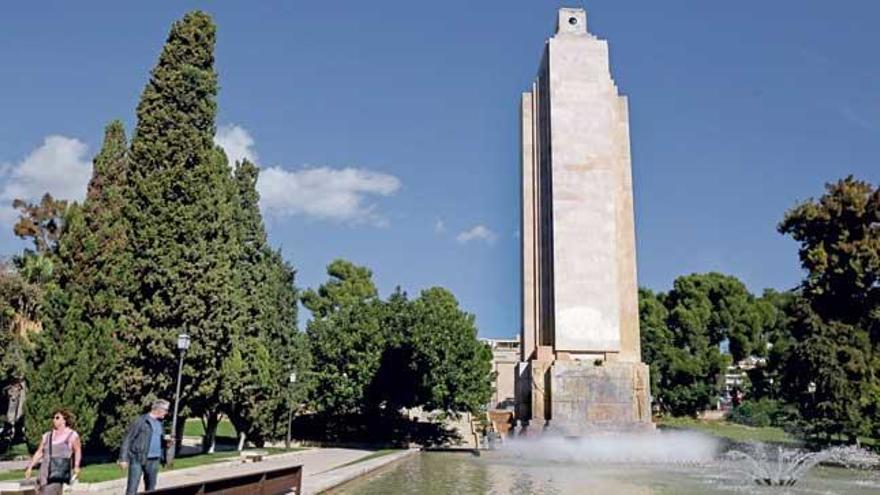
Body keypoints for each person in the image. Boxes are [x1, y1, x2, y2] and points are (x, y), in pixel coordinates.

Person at [24, 408, 82, 495]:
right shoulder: (47, 436)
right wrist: (30, 467)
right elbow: (40, 452)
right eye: (53, 417)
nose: (54, 419)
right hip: (43, 474)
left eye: (57, 417)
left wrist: (76, 466)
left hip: (57, 474)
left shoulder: (72, 435)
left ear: (64, 420)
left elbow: (77, 450)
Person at [119, 399, 170, 495]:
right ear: (158, 409)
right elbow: (128, 439)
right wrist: (123, 459)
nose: (166, 413)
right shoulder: (141, 421)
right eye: (165, 410)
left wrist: (167, 443)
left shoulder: (160, 423)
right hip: (138, 459)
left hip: (154, 460)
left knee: (151, 489)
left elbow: (159, 441)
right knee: (132, 489)